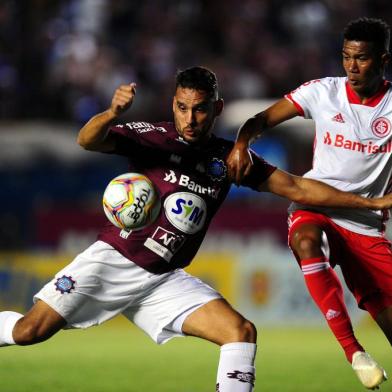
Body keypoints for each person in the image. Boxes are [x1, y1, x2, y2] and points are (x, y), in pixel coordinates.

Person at [1, 67, 392, 392]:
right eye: (183, 108)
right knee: (28, 331)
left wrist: (371, 203)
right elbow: (88, 140)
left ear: (217, 109)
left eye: (201, 110)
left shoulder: (230, 158)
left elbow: (297, 187)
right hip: (113, 262)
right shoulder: (153, 139)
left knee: (240, 331)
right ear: (174, 104)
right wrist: (111, 113)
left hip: (163, 279)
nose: (190, 119)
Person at [227, 17, 392, 390]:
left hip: (365, 224)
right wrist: (242, 142)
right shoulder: (322, 91)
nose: (351, 66)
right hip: (316, 205)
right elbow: (260, 119)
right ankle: (354, 352)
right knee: (306, 242)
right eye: (346, 57)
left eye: (362, 58)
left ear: (382, 59)